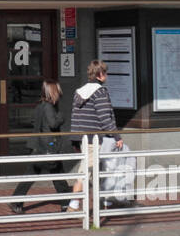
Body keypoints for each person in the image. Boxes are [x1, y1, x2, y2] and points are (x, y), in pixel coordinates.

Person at [9, 81, 72, 213]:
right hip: (48, 148)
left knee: (33, 175)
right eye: (58, 93)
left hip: (39, 147)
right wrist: (61, 116)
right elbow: (53, 124)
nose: (59, 96)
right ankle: (67, 203)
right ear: (53, 93)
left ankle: (16, 201)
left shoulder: (40, 107)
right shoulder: (48, 107)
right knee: (57, 174)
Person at [66, 60, 119, 211]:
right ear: (100, 74)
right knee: (87, 170)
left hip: (83, 138)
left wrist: (76, 140)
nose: (107, 75)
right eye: (105, 72)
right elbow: (105, 118)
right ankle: (74, 203)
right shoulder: (100, 92)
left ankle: (105, 200)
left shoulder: (79, 92)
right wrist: (117, 137)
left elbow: (75, 117)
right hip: (96, 139)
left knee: (98, 169)